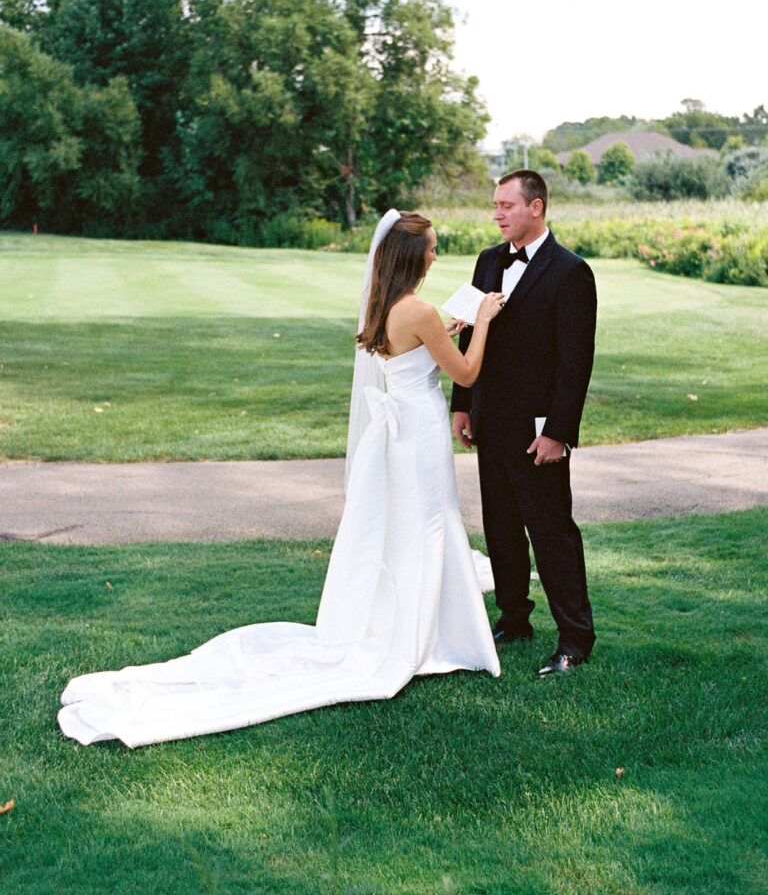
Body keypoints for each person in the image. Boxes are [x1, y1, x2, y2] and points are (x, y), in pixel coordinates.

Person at [58, 210, 505, 747]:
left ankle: (422, 625)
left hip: (401, 430)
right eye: (431, 247)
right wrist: (482, 319)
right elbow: (466, 372)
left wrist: (445, 331)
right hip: (421, 430)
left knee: (413, 525)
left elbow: (413, 351)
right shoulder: (421, 310)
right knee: (431, 522)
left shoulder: (385, 305)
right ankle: (431, 635)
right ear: (413, 256)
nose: (435, 254)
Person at [451, 170, 597, 676]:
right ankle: (514, 620)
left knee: (552, 532)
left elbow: (575, 362)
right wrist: (463, 404)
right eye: (494, 205)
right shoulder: (488, 261)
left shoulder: (571, 271)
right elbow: (469, 334)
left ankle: (575, 640)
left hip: (539, 431)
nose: (497, 214)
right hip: (490, 420)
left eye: (506, 205)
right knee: (501, 528)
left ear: (536, 207)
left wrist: (557, 432)